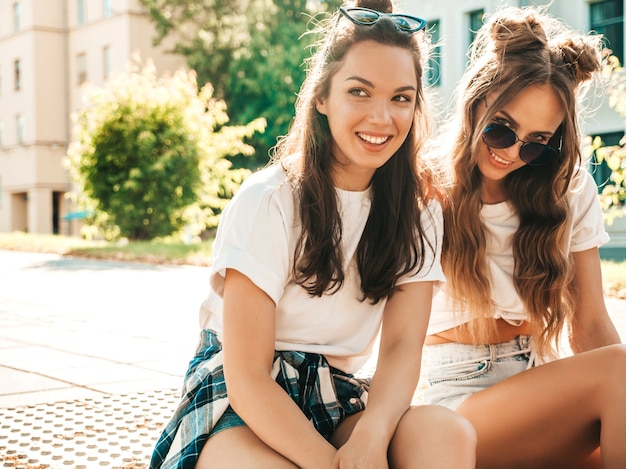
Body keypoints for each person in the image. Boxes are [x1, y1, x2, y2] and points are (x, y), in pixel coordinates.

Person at [150, 0, 477, 468]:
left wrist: (371, 438)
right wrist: (331, 464)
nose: (382, 118)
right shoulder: (268, 200)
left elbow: (404, 345)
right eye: (359, 92)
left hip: (335, 394)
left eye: (401, 97)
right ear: (322, 96)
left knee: (445, 434)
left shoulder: (419, 209)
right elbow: (247, 377)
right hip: (242, 400)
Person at [422, 5, 626, 469]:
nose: (513, 153)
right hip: (457, 397)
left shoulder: (566, 191)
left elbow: (591, 325)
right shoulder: (427, 190)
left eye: (535, 143)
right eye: (501, 129)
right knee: (623, 368)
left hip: (538, 378)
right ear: (476, 103)